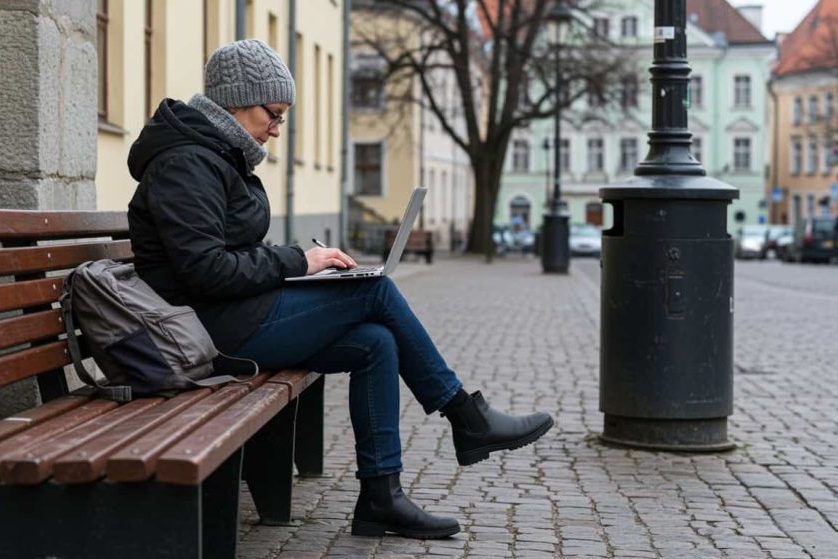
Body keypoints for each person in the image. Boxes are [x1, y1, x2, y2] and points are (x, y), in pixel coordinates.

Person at [126, 40, 554, 539]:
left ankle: (381, 498)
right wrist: (298, 261)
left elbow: (227, 255)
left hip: (229, 316)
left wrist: (302, 266)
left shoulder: (218, 155)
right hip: (204, 334)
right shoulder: (186, 163)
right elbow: (205, 271)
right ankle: (465, 415)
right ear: (237, 100)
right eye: (273, 113)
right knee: (374, 294)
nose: (278, 128)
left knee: (376, 341)